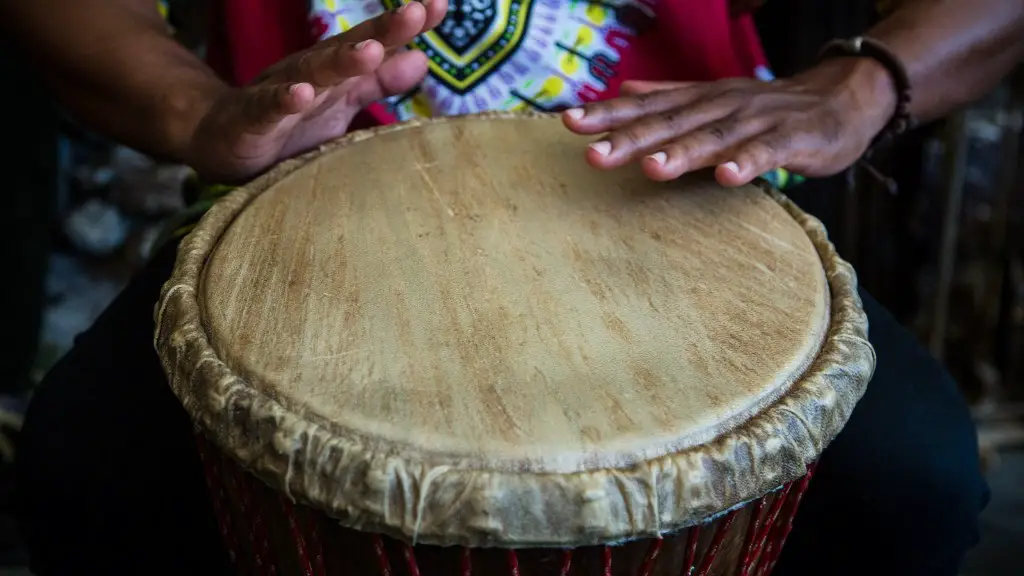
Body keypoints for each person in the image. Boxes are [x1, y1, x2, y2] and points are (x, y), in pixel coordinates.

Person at [5, 0, 1022, 574]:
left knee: (909, 486)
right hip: (293, 198)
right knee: (86, 468)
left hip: (682, 191)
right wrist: (199, 110)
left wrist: (866, 80)